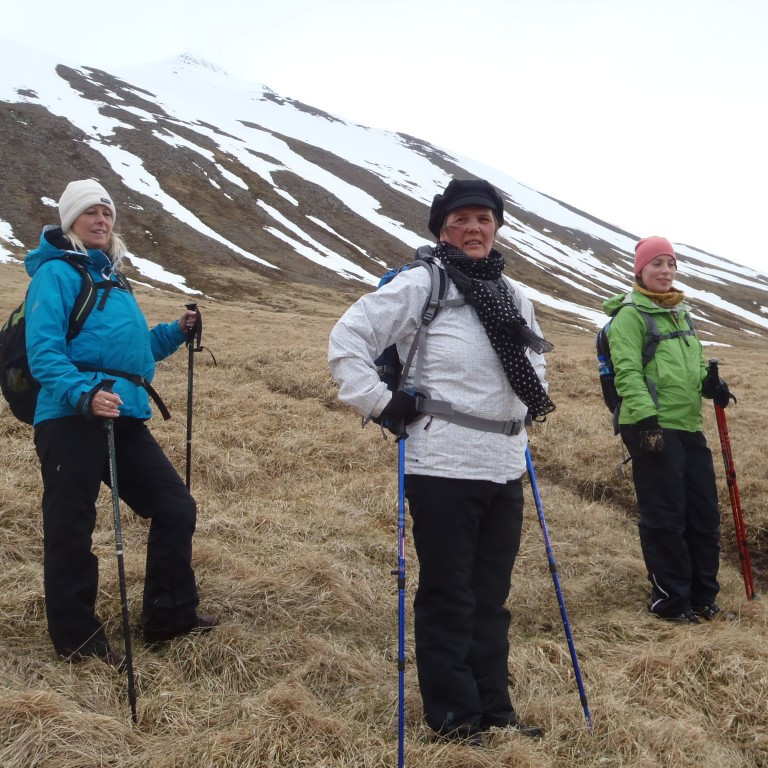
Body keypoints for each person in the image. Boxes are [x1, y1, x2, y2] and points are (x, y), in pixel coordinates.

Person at [328, 178, 554, 745]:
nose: (474, 229)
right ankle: (454, 718)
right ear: (441, 230)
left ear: (497, 227)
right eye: (460, 221)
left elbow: (536, 369)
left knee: (491, 596)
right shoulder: (421, 284)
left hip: (504, 464)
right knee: (450, 593)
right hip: (442, 464)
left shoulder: (514, 295)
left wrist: (522, 423)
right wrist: (382, 403)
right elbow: (348, 336)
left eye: (484, 219)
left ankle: (494, 710)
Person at [25, 179, 218, 667]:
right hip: (70, 418)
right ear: (71, 221)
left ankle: (170, 617)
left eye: (106, 213)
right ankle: (79, 643)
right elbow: (43, 354)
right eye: (90, 212)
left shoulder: (112, 277)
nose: (101, 220)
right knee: (72, 527)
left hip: (123, 413)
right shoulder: (55, 275)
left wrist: (175, 332)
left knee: (175, 506)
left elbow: (134, 357)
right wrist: (83, 395)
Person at [604, 235, 735, 624]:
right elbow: (627, 370)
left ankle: (702, 598)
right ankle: (671, 603)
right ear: (640, 270)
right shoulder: (630, 315)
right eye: (657, 264)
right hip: (651, 428)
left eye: (671, 264)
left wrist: (709, 384)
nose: (665, 271)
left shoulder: (681, 312)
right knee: (665, 516)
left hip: (688, 426)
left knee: (703, 514)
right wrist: (646, 421)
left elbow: (692, 364)